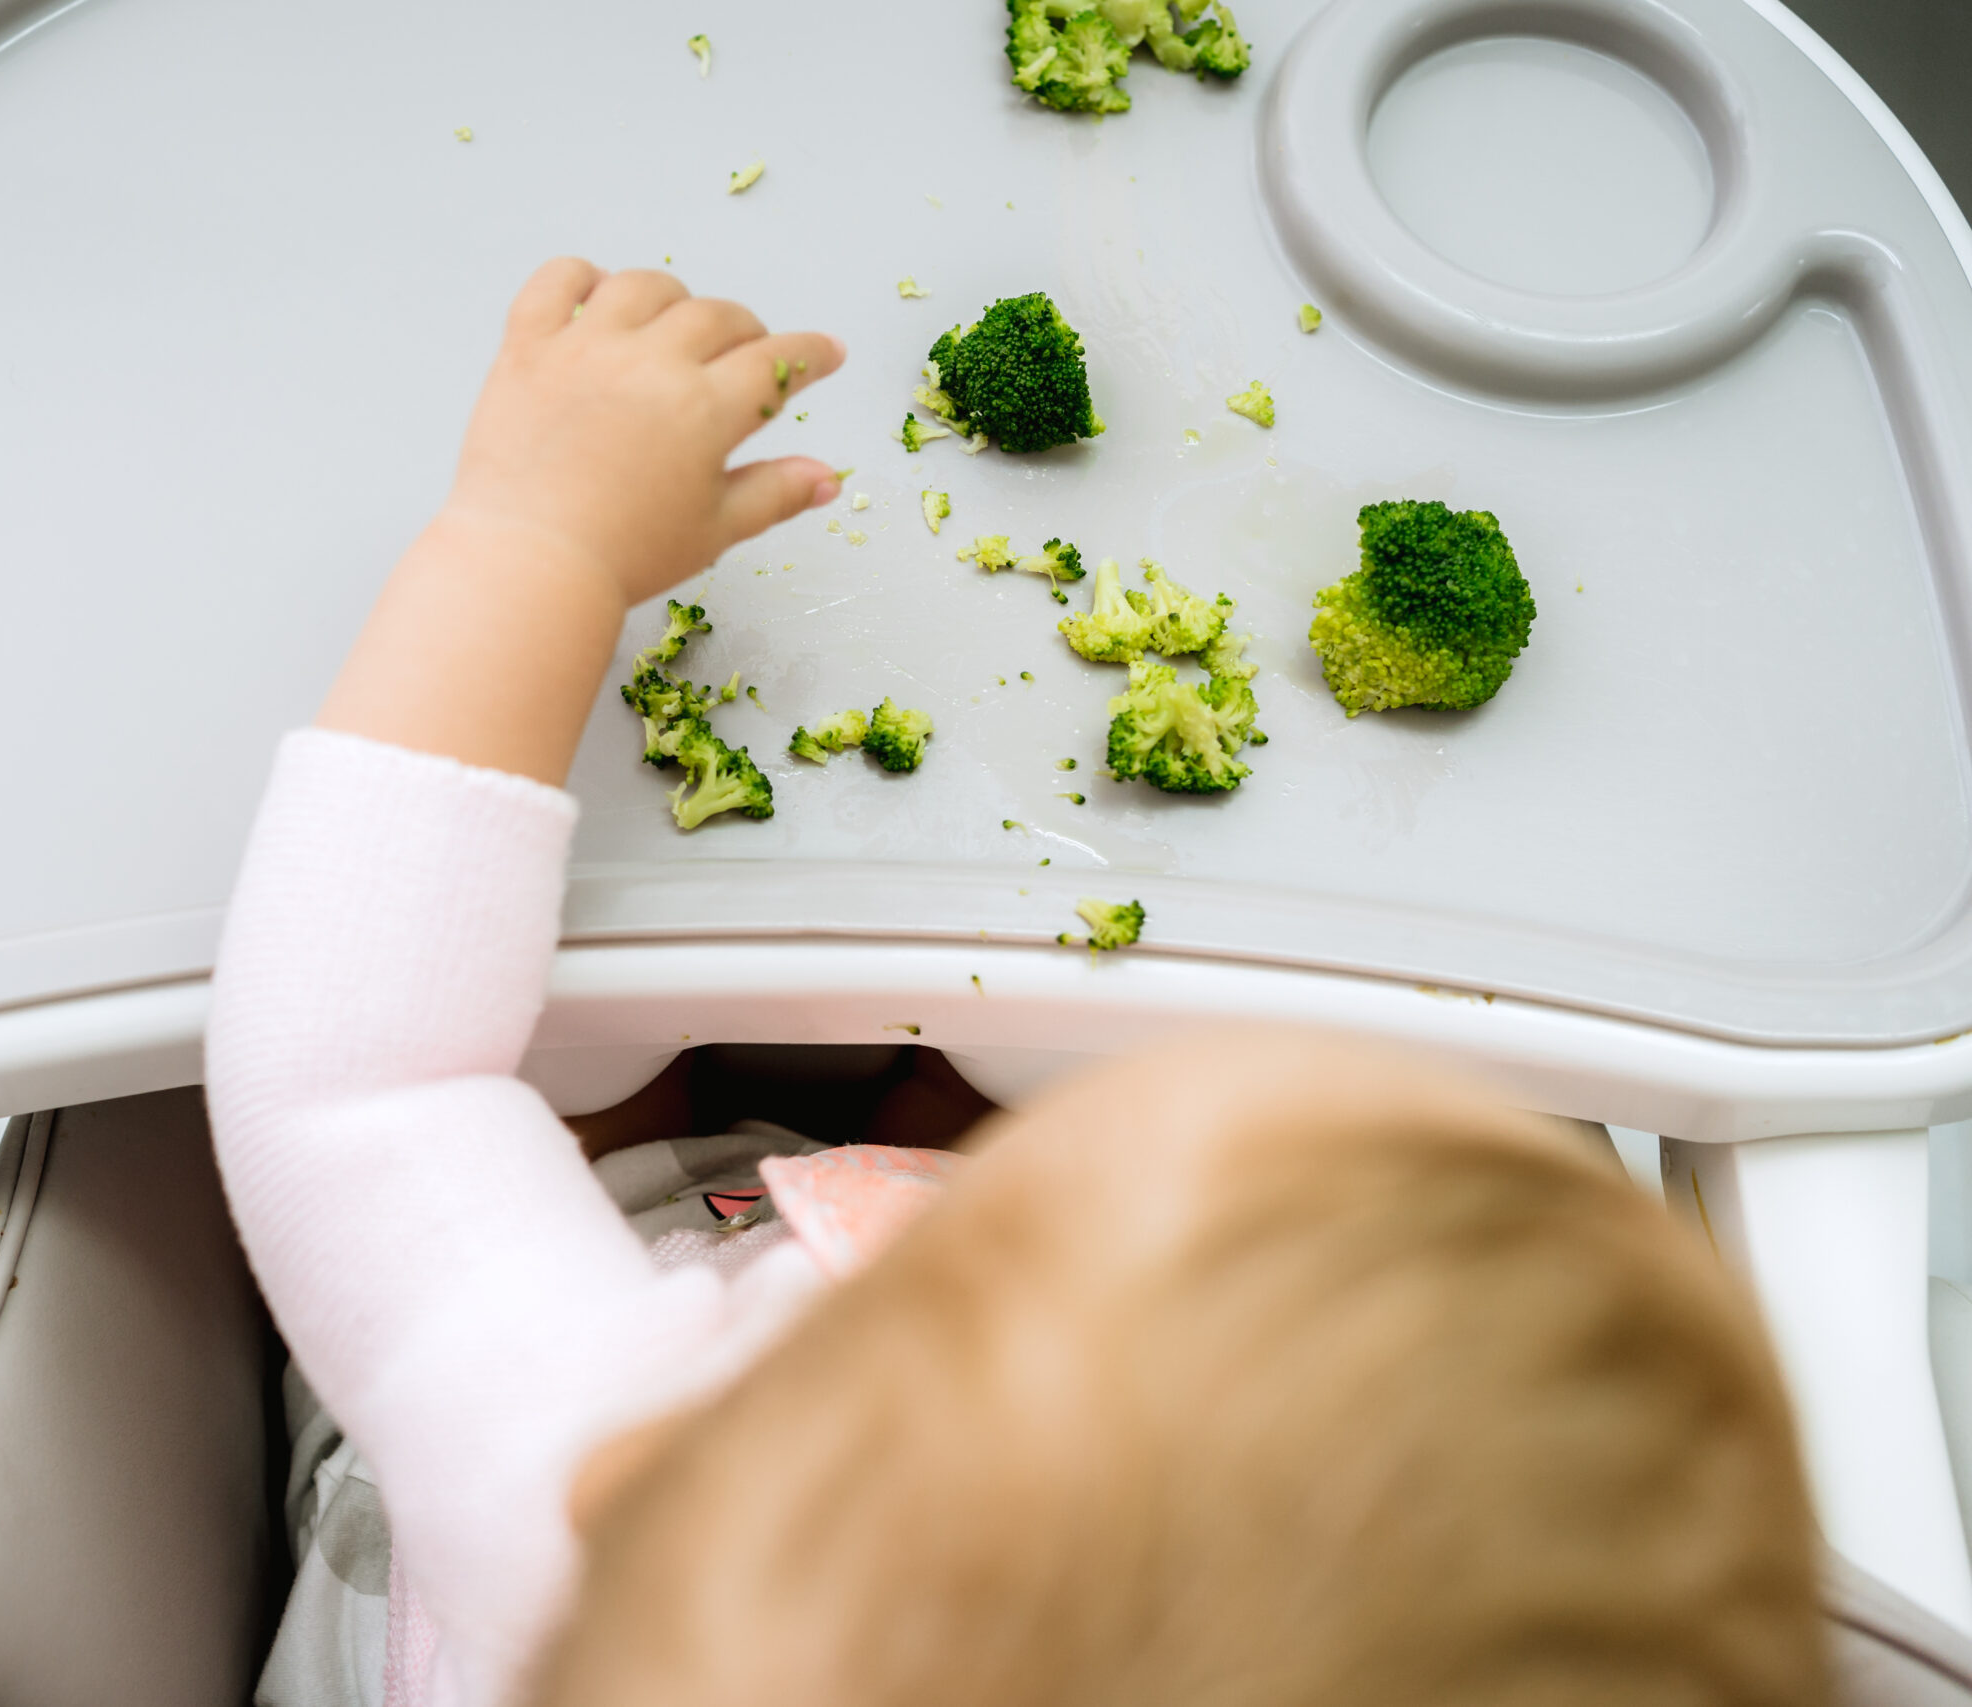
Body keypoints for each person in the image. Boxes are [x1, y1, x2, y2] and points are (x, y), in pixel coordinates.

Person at [204, 259, 1825, 1707]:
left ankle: (763, 1132)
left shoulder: (605, 1521)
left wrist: (531, 543)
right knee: (984, 1099)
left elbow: (363, 1080)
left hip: (492, 1486)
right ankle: (929, 1122)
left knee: (586, 1063)